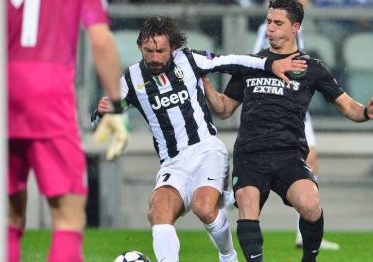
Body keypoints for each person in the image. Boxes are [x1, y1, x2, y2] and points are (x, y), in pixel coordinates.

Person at [91, 15, 307, 262]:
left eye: (161, 50)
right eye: (149, 50)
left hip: (206, 150)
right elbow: (105, 121)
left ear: (172, 47)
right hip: (173, 162)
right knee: (158, 211)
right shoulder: (129, 80)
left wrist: (271, 65)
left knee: (203, 207)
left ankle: (228, 256)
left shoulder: (190, 60)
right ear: (141, 47)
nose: (154, 57)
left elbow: (235, 60)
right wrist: (101, 112)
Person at [202, 0, 373, 262]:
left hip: (288, 153)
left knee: (311, 204)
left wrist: (367, 113)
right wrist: (207, 86)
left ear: (295, 27)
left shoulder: (312, 68)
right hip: (250, 154)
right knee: (247, 204)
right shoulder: (252, 64)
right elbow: (224, 110)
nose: (271, 28)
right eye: (268, 22)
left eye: (278, 23)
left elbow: (348, 108)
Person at [7, 0, 128, 261]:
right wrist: (116, 107)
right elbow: (100, 40)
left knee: (7, 218)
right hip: (49, 96)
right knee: (67, 216)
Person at [252, 0, 340, 250]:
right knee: (303, 158)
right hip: (278, 103)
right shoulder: (269, 29)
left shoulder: (296, 26)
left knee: (311, 159)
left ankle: (304, 229)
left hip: (296, 103)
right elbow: (258, 59)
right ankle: (304, 228)